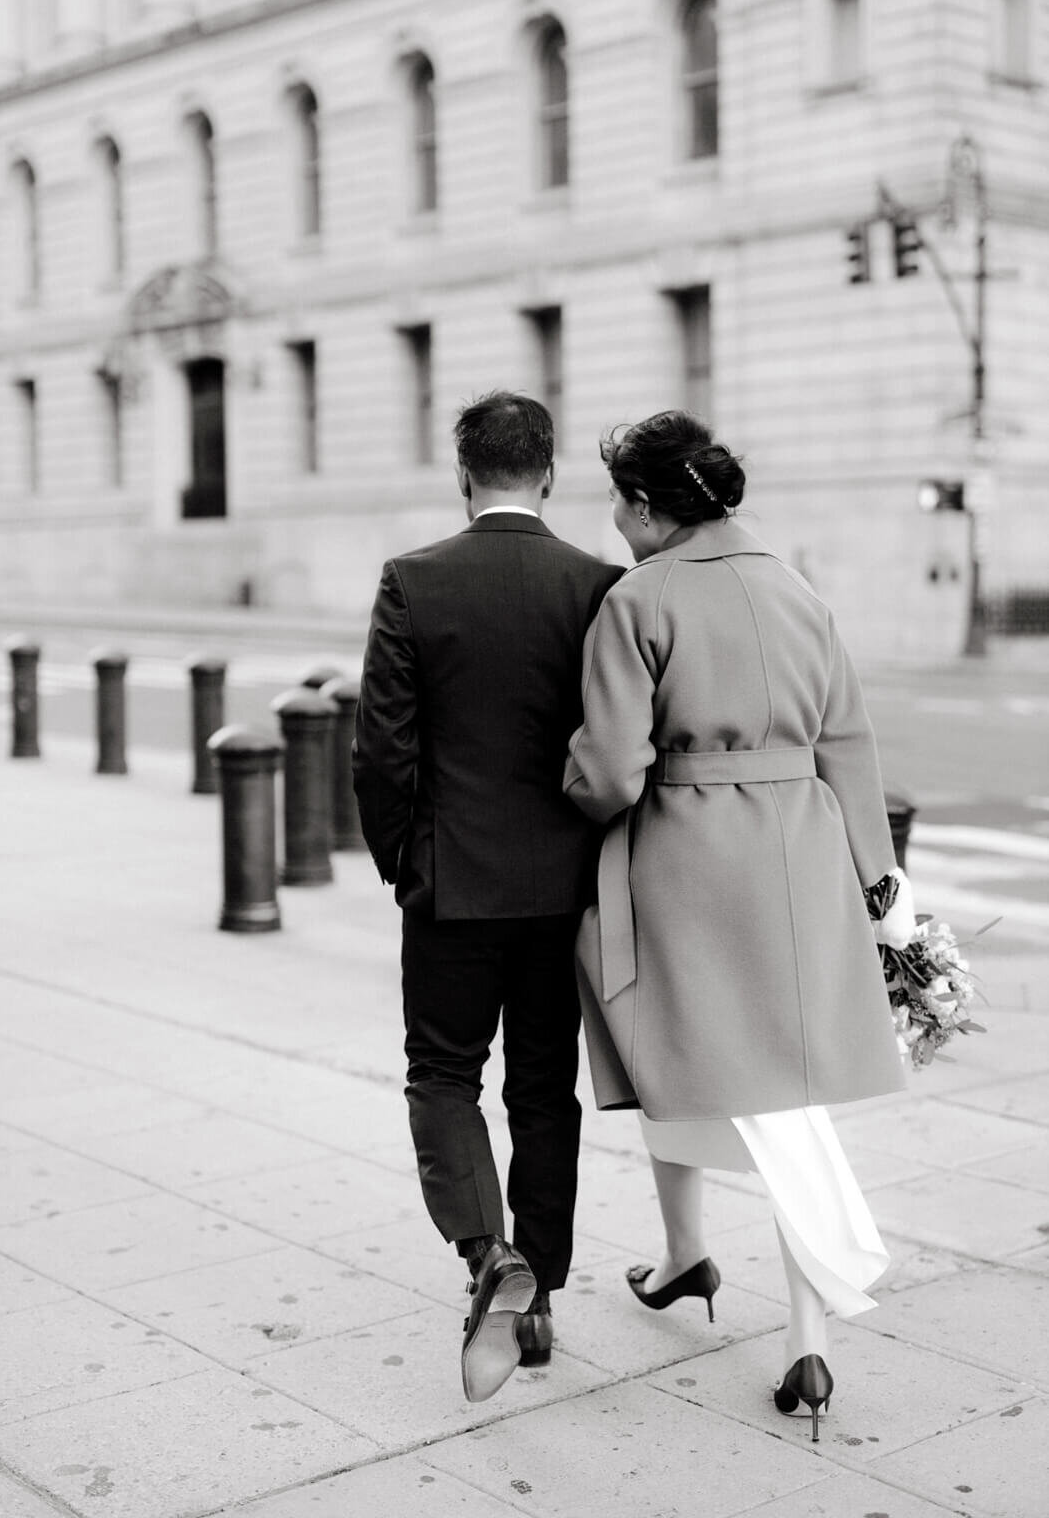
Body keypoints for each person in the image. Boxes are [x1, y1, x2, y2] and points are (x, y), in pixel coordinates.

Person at [563, 409, 915, 1443]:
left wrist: (569, 786)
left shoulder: (639, 598)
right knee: (784, 1088)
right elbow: (848, 741)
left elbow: (612, 769)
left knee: (680, 1053)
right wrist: (878, 877)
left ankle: (706, 1259)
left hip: (688, 856)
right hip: (800, 853)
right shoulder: (798, 588)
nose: (616, 525)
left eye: (617, 505)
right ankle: (775, 1319)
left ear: (641, 504)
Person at [353, 390, 624, 1404]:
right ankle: (540, 1290)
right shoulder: (596, 585)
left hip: (451, 884)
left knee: (441, 1073)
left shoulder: (413, 581)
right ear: (549, 473)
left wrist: (402, 862)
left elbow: (382, 747)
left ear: (461, 473)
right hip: (562, 889)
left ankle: (485, 1255)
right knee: (543, 1089)